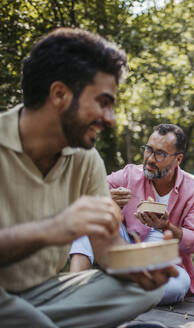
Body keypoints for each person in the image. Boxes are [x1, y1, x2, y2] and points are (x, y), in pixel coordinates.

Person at [0, 28, 179, 328]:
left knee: (144, 289)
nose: (110, 118)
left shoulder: (85, 159)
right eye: (103, 102)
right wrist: (54, 228)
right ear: (59, 94)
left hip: (45, 293)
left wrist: (139, 267)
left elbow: (107, 249)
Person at [70, 123, 194, 304]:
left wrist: (166, 227)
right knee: (91, 215)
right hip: (127, 248)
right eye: (148, 150)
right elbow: (85, 197)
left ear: (178, 159)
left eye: (160, 153)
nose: (150, 159)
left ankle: (112, 287)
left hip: (166, 261)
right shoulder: (130, 174)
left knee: (176, 288)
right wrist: (106, 198)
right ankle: (73, 287)